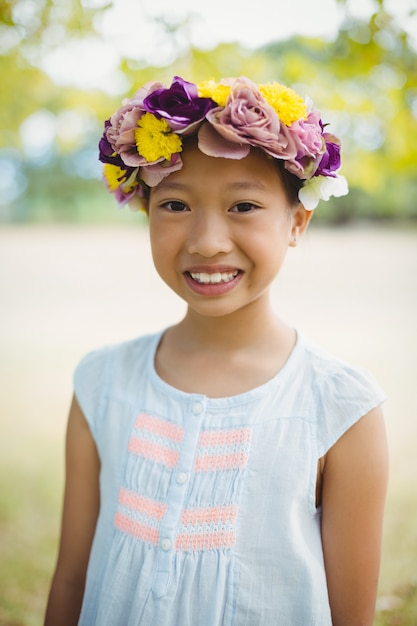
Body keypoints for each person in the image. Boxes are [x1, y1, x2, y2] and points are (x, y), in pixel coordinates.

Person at [44, 76, 388, 626]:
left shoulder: (342, 407)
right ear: (145, 212)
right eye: (176, 204)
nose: (206, 240)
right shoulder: (101, 383)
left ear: (297, 222)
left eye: (244, 205)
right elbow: (71, 578)